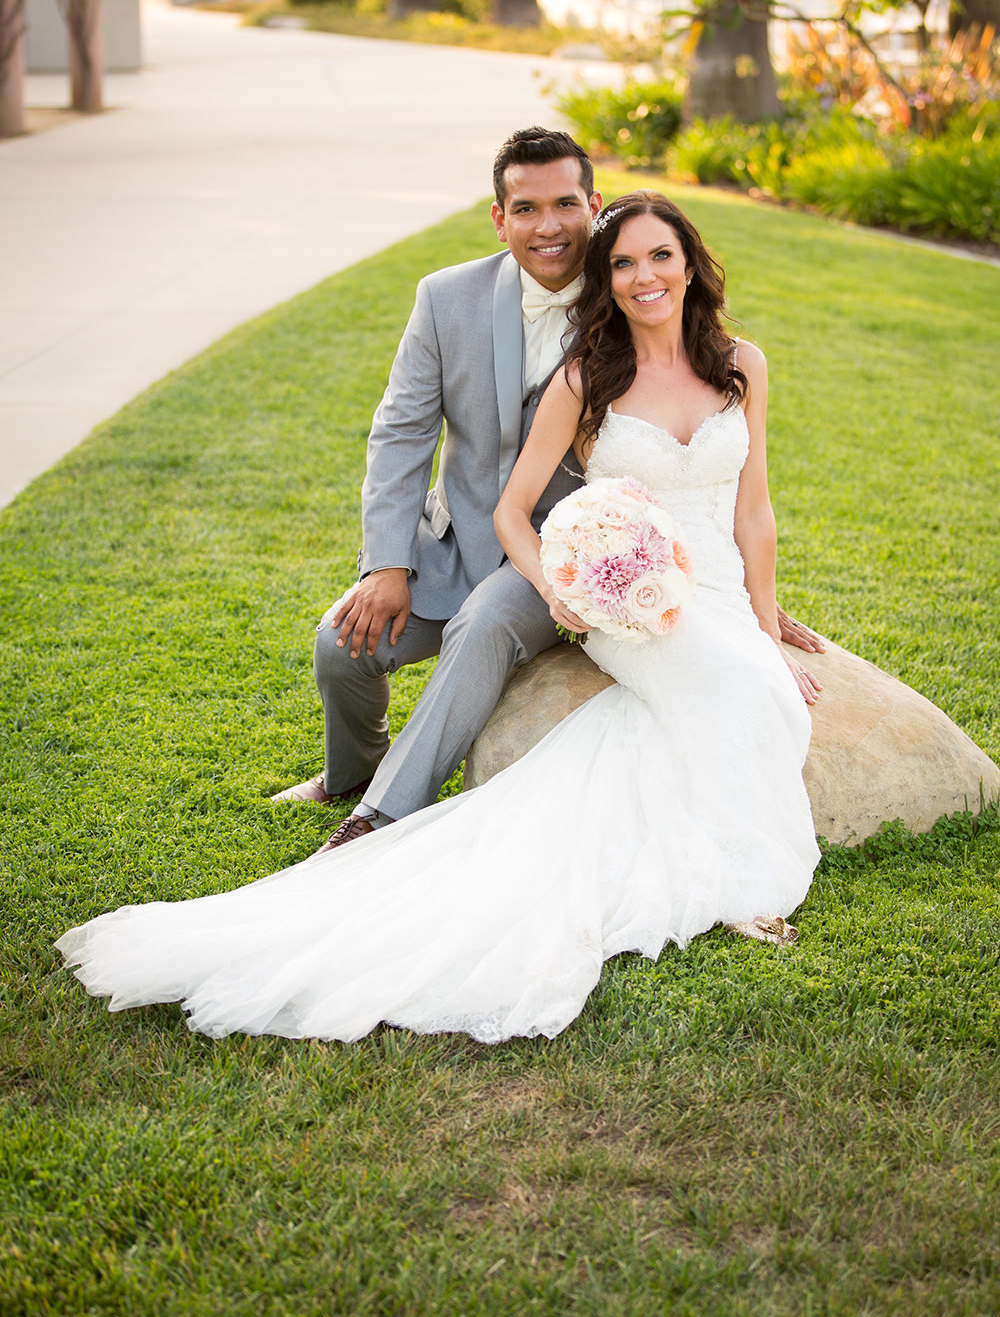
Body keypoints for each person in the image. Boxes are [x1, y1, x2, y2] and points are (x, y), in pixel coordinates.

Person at [56, 191, 822, 1044]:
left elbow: (754, 510)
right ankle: (374, 801)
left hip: (710, 584)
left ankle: (688, 866)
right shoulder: (585, 375)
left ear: (690, 262)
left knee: (759, 688)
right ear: (601, 279)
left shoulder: (742, 363)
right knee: (741, 695)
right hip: (619, 596)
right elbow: (501, 503)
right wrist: (564, 589)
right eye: (625, 263)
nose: (646, 276)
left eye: (661, 257)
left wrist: (765, 622)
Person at [271, 129, 823, 851]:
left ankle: (383, 816)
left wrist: (755, 606)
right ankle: (351, 774)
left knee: (485, 626)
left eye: (566, 204)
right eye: (526, 208)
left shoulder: (633, 286)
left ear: (592, 207)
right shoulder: (446, 299)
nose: (549, 225)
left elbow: (729, 478)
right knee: (340, 645)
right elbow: (401, 434)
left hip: (575, 558)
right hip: (459, 538)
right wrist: (386, 564)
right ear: (499, 218)